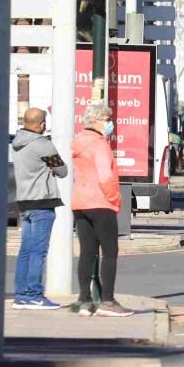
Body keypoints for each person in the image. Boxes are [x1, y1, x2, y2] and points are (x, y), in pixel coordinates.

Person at [71, 103, 131, 317]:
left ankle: (84, 300)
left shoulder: (77, 142)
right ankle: (108, 300)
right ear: (96, 121)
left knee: (87, 252)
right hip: (101, 202)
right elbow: (105, 176)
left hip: (80, 203)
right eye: (107, 119)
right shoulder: (99, 145)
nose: (110, 123)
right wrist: (114, 199)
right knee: (110, 252)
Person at [12, 107, 67, 310]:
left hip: (24, 202)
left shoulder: (17, 143)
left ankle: (21, 294)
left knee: (26, 250)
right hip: (42, 203)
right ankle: (35, 294)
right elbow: (62, 170)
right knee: (39, 251)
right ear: (41, 123)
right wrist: (51, 169)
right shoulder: (43, 144)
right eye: (44, 122)